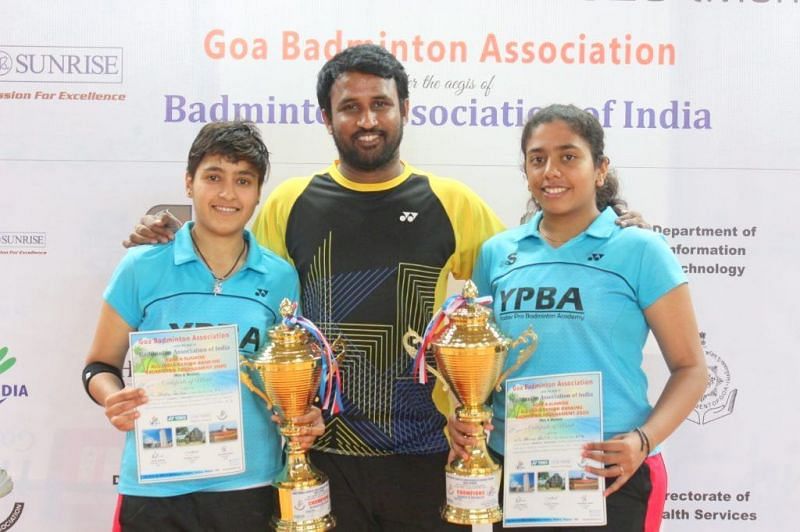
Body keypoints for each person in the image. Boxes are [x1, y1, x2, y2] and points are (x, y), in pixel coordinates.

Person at [124, 47, 648, 531]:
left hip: (429, 453)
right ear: (327, 119)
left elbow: (530, 258)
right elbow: (230, 266)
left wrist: (610, 221)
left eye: (381, 103)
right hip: (318, 454)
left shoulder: (451, 202)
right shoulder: (290, 202)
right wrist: (167, 233)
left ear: (405, 109)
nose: (368, 119)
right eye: (350, 107)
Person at [448, 104, 707, 531]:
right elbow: (481, 364)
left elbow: (692, 368)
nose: (551, 171)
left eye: (568, 156)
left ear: (600, 168)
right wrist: (465, 413)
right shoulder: (498, 253)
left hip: (608, 473)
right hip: (511, 469)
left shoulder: (640, 250)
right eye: (537, 159)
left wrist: (643, 441)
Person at [82, 121, 323, 532]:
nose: (228, 194)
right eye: (214, 177)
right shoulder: (141, 267)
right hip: (155, 487)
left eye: (243, 181)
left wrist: (304, 413)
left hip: (250, 484)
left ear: (258, 193)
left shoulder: (280, 277)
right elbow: (99, 366)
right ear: (189, 182)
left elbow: (285, 380)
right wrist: (113, 398)